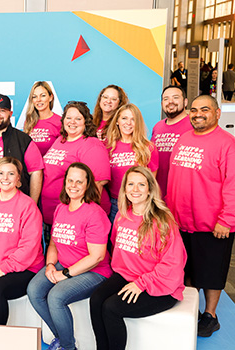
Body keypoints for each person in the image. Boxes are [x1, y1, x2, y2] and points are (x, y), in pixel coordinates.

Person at [91, 166, 186, 350]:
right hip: (128, 275)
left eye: (141, 185)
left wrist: (141, 284)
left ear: (150, 188)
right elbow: (115, 246)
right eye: (131, 184)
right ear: (124, 189)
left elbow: (173, 264)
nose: (135, 189)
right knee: (96, 300)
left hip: (161, 285)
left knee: (111, 308)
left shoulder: (163, 221)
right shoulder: (122, 215)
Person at [167, 95, 235, 337]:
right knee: (188, 270)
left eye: (204, 110)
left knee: (212, 272)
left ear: (217, 113)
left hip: (213, 225)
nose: (197, 114)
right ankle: (193, 309)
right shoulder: (183, 139)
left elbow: (232, 184)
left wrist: (227, 220)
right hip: (180, 222)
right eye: (194, 110)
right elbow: (174, 180)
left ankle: (211, 315)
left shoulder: (227, 143)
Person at [28, 162, 111, 350]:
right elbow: (53, 244)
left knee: (56, 297)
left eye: (79, 182)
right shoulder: (61, 208)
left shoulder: (94, 213)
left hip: (94, 272)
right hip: (63, 264)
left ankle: (68, 347)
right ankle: (61, 336)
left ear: (87, 184)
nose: (73, 185)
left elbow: (97, 257)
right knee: (34, 290)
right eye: (70, 180)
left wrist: (64, 274)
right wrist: (50, 265)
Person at [0, 157, 44, 325]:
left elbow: (29, 247)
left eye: (11, 174)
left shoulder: (28, 206)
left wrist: (3, 269)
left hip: (25, 267)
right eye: (1, 173)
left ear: (18, 179)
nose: (5, 178)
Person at [41, 101, 110, 235]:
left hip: (77, 220)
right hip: (53, 214)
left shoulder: (91, 145)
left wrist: (79, 217)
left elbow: (98, 184)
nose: (72, 122)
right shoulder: (60, 140)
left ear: (86, 122)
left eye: (78, 118)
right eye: (69, 118)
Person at [106, 103, 159, 222]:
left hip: (139, 204)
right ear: (117, 121)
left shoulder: (148, 148)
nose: (128, 123)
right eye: (124, 118)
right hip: (115, 203)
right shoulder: (108, 147)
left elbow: (152, 182)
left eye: (133, 119)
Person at [151, 86, 192, 197]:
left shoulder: (193, 126)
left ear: (185, 102)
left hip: (182, 195)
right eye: (166, 99)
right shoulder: (157, 127)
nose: (170, 102)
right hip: (158, 194)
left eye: (175, 97)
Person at [23, 81, 62, 156]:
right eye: (34, 97)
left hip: (49, 166)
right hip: (31, 166)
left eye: (43, 95)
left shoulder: (60, 122)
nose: (38, 100)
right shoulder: (29, 121)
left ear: (50, 97)